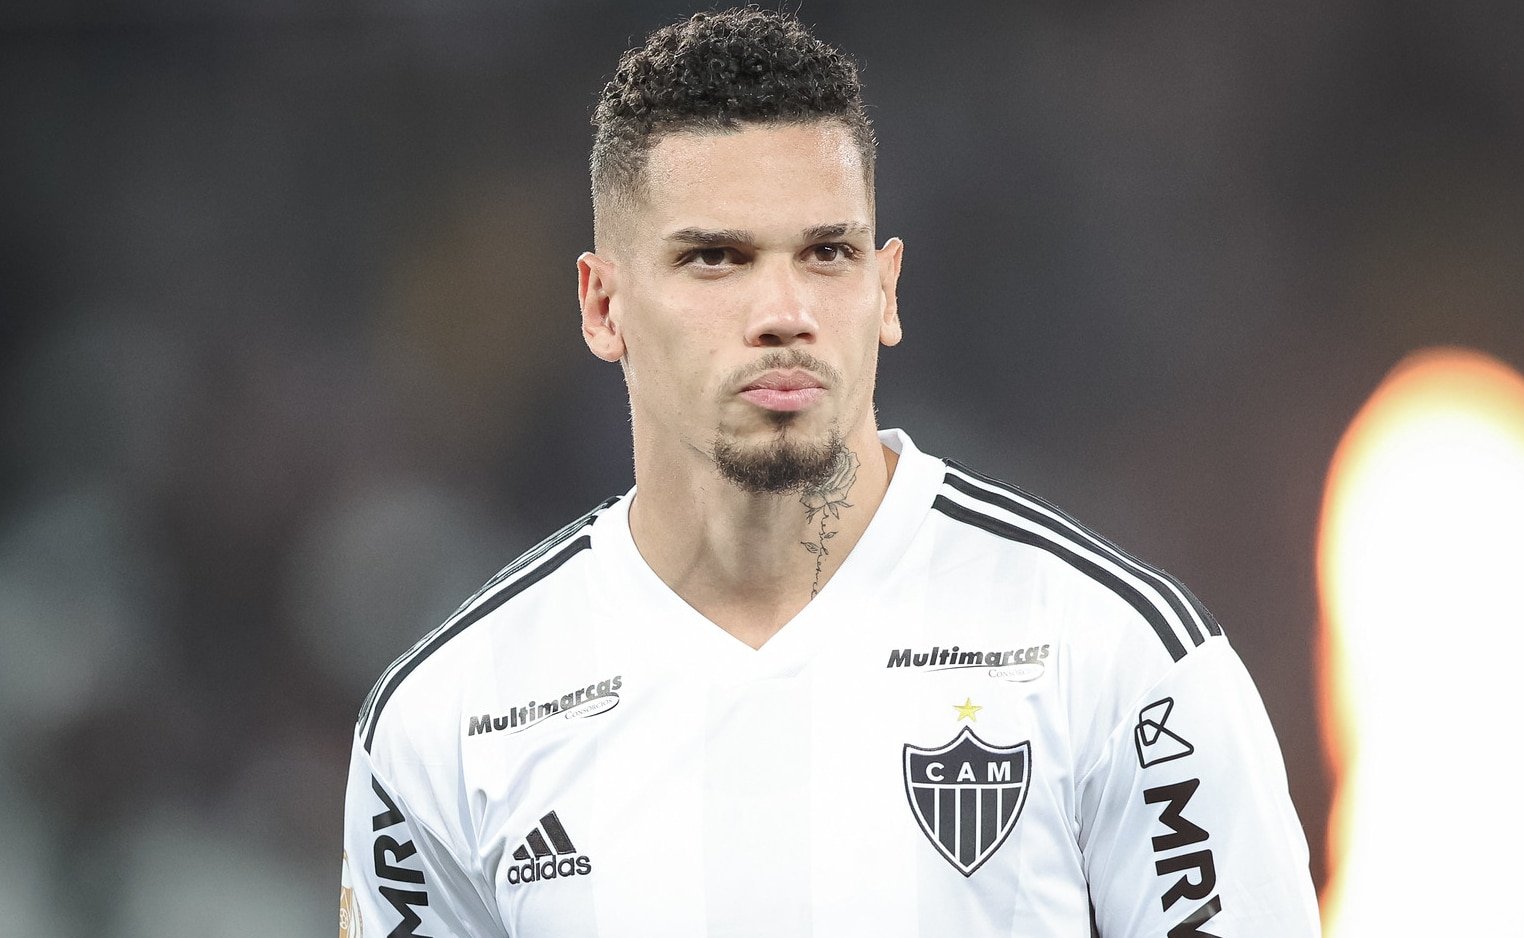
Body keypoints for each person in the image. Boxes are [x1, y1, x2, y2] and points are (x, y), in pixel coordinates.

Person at [340, 9, 1320, 936]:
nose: (784, 310)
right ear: (604, 307)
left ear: (885, 289)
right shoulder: (447, 720)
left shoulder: (1118, 661)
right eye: (716, 258)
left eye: (827, 253)